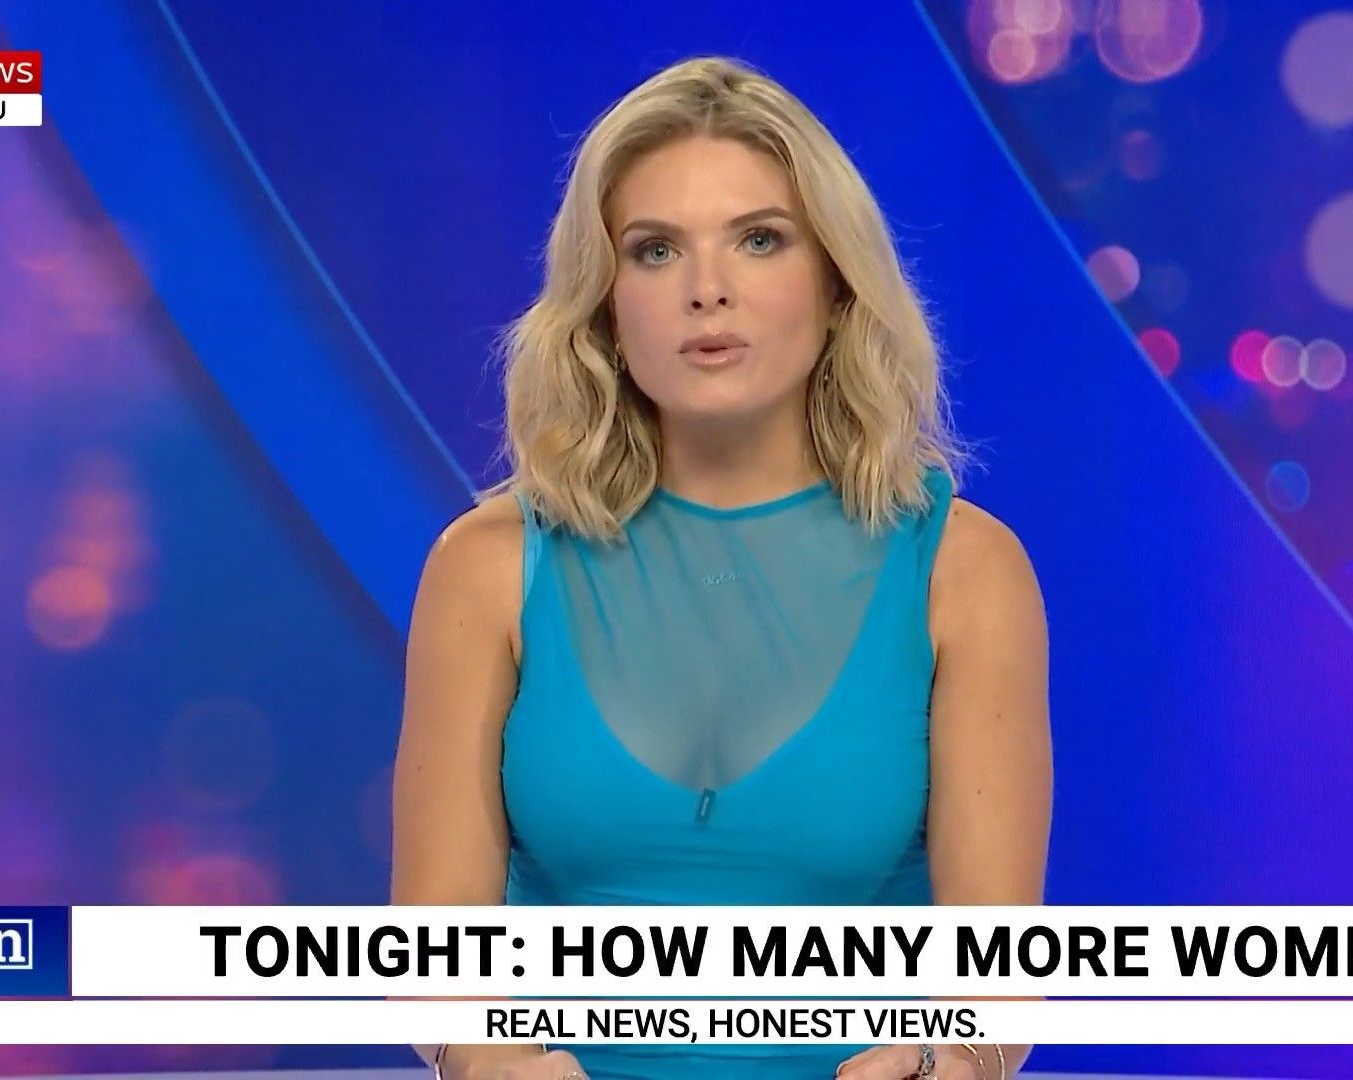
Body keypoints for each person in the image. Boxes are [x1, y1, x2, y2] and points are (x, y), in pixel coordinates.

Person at [393, 54, 1051, 1080]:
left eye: (759, 240)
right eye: (656, 251)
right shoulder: (486, 568)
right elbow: (432, 964)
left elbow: (994, 989)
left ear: (834, 284)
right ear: (606, 306)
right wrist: (488, 1059)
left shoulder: (964, 573)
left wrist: (946, 1064)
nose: (708, 291)